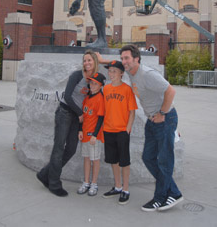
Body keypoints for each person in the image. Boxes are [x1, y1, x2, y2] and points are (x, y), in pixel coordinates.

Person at [120, 44, 183, 211]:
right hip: (152, 121)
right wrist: (102, 58)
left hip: (164, 119)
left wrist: (162, 113)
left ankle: (161, 197)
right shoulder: (130, 72)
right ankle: (174, 192)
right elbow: (116, 63)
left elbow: (171, 91)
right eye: (122, 58)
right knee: (148, 157)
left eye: (127, 58)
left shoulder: (147, 74)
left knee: (164, 161)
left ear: (136, 59)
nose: (124, 61)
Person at [36, 49, 99, 197]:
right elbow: (68, 97)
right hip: (65, 113)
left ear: (95, 62)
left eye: (89, 60)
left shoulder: (94, 81)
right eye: (85, 60)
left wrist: (81, 123)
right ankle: (54, 184)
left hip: (77, 118)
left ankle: (45, 173)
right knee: (59, 148)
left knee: (71, 149)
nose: (86, 63)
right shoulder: (77, 75)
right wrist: (80, 114)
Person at [99, 60, 138, 205]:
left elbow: (132, 112)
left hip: (122, 131)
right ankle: (117, 186)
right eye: (109, 71)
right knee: (113, 161)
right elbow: (103, 111)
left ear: (122, 73)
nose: (111, 74)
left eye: (114, 71)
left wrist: (127, 129)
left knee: (124, 161)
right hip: (108, 130)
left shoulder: (127, 89)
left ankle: (125, 189)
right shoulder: (106, 89)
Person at [77, 72, 106, 196]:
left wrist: (94, 135)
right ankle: (86, 182)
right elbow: (82, 117)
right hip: (85, 134)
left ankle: (94, 183)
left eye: (95, 83)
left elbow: (100, 118)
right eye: (91, 83)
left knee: (95, 159)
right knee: (87, 158)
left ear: (100, 85)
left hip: (94, 136)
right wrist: (80, 130)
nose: (92, 85)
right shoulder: (87, 98)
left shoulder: (100, 98)